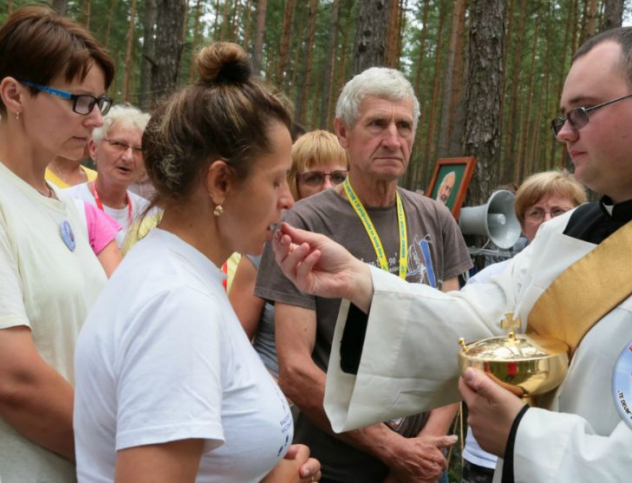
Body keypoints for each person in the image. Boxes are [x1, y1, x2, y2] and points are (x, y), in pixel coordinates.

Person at [271, 27, 632, 482]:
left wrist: (522, 435)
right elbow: (474, 321)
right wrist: (361, 283)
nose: (564, 132)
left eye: (583, 111)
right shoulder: (565, 234)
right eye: (562, 116)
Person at [73, 42, 320, 483]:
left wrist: (262, 466)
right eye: (277, 180)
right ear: (220, 181)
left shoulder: (177, 271)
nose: (288, 200)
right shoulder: (178, 305)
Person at [257, 67, 471, 483]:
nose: (393, 139)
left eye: (404, 125)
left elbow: (459, 344)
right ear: (343, 131)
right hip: (336, 466)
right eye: (377, 124)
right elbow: (297, 371)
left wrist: (422, 449)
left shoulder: (436, 217)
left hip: (425, 464)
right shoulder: (306, 223)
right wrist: (392, 450)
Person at [0, 4, 114, 483]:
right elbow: (14, 379)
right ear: (14, 94)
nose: (95, 121)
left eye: (99, 103)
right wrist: (129, 455)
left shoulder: (70, 205)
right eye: (78, 100)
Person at [461, 169, 585, 483]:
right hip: (488, 451)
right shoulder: (490, 279)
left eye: (558, 211)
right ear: (522, 222)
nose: (547, 220)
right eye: (535, 212)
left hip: (562, 446)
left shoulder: (593, 280)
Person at [231, 129, 349, 379]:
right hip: (279, 397)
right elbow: (231, 347)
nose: (328, 187)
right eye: (313, 178)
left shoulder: (359, 247)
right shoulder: (266, 248)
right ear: (293, 183)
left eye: (339, 177)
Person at [65, 104, 151, 248]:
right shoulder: (68, 203)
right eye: (119, 144)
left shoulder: (148, 214)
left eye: (138, 149)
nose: (128, 157)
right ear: (93, 149)